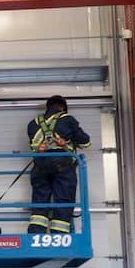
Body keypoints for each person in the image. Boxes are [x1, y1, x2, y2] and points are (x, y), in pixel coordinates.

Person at [26, 95, 91, 235]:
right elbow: (86, 142)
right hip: (63, 165)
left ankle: (36, 233)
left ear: (48, 107)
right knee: (63, 199)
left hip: (40, 165)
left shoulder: (33, 123)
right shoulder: (68, 119)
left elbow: (34, 147)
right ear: (62, 107)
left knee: (40, 199)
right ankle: (59, 234)